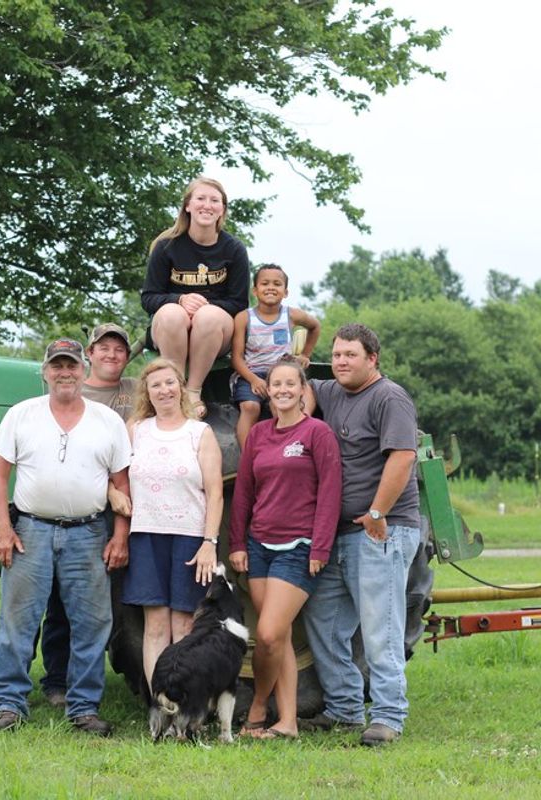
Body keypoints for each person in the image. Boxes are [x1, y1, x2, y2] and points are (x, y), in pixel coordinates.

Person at [0, 339, 132, 736]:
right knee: (18, 619)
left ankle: (83, 707)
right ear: (45, 372)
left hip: (88, 531)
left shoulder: (107, 421)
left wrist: (120, 536)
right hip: (30, 529)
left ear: (84, 371)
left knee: (91, 622)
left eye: (71, 366)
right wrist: (3, 527)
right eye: (57, 366)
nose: (64, 372)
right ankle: (10, 703)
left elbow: (122, 483)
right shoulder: (22, 415)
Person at [301, 323, 422, 747]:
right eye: (336, 355)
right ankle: (345, 708)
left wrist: (376, 512)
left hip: (381, 531)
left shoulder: (389, 397)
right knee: (325, 622)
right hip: (339, 534)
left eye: (350, 355)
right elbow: (303, 386)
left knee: (380, 628)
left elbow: (403, 457)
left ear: (373, 359)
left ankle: (388, 716)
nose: (341, 362)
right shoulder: (333, 392)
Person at [228, 357, 341, 739]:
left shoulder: (317, 433)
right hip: (259, 545)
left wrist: (319, 548)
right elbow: (243, 493)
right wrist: (238, 543)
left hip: (298, 546)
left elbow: (330, 493)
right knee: (278, 636)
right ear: (267, 389)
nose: (283, 390)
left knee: (272, 634)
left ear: (302, 389)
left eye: (291, 384)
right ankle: (288, 722)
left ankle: (259, 707)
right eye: (276, 384)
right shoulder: (259, 434)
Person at [37, 323, 137, 709]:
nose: (112, 355)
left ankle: (84, 686)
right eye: (104, 348)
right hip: (84, 512)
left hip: (124, 508)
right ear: (89, 356)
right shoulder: (70, 395)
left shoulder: (135, 390)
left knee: (94, 609)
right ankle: (57, 681)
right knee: (63, 602)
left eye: (120, 349)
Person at [121, 357, 224, 695]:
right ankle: (159, 705)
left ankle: (183, 701)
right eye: (156, 385)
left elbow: (215, 492)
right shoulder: (136, 429)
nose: (164, 390)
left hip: (189, 538)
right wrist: (111, 493)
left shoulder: (200, 433)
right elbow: (113, 474)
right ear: (146, 393)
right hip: (147, 535)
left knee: (183, 623)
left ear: (180, 387)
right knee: (154, 625)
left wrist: (209, 541)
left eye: (169, 383)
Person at [141, 176, 250, 419]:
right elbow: (148, 298)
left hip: (215, 331)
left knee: (208, 316)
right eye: (200, 198)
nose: (207, 205)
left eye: (215, 200)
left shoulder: (234, 249)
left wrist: (204, 305)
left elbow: (240, 303)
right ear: (187, 205)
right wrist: (179, 300)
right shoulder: (166, 246)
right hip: (171, 329)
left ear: (222, 209)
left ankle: (193, 391)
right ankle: (175, 385)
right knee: (171, 313)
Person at [230, 264, 321, 448]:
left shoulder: (291, 315)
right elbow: (236, 359)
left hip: (281, 374)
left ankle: (282, 449)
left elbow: (315, 326)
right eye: (265, 283)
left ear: (285, 292)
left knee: (281, 406)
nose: (271, 287)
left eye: (277, 284)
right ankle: (248, 456)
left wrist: (305, 354)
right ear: (255, 290)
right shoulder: (244, 318)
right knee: (250, 407)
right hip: (251, 374)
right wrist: (254, 380)